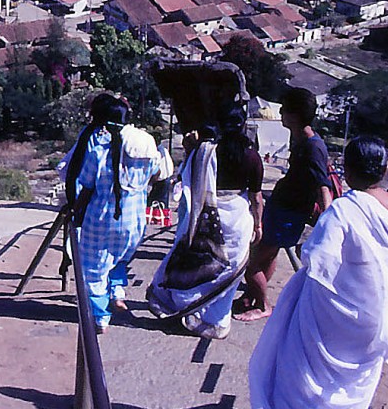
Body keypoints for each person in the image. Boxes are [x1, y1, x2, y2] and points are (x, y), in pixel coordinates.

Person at [249, 135, 388, 409]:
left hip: (341, 316)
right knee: (355, 381)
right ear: (385, 169)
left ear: (347, 172)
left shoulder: (342, 210)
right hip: (380, 312)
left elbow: (316, 257)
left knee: (306, 369)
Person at [148, 105, 263, 339]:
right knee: (230, 271)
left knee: (199, 263)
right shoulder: (251, 156)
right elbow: (256, 198)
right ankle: (217, 321)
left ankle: (182, 305)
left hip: (206, 214)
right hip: (238, 219)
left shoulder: (206, 151)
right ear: (243, 126)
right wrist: (258, 224)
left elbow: (184, 176)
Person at [62, 93, 163, 332]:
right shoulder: (144, 143)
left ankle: (100, 318)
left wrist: (75, 212)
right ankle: (118, 296)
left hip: (101, 219)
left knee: (93, 269)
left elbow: (86, 187)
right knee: (119, 258)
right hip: (134, 220)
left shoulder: (99, 148)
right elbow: (159, 174)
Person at [235, 87, 331, 322]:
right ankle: (252, 296)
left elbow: (323, 187)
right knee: (268, 256)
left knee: (252, 264)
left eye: (286, 110)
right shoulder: (299, 139)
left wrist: (328, 225)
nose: (282, 115)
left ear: (295, 115)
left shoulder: (313, 146)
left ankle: (263, 305)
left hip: (289, 212)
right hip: (283, 207)